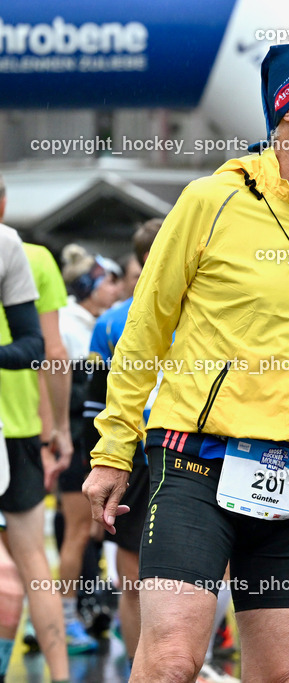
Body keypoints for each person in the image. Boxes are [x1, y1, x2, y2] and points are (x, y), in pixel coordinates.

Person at [84, 39, 289, 682]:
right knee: (171, 662)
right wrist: (111, 452)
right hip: (194, 465)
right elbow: (144, 333)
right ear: (287, 109)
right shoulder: (210, 200)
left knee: (284, 676)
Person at [80, 219, 165, 676]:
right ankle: (147, 666)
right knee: (137, 579)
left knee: (149, 580)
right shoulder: (112, 322)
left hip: (169, 453)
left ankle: (171, 663)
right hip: (142, 454)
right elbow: (94, 402)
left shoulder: (203, 312)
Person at [55, 244, 120, 654]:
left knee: (93, 532)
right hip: (77, 445)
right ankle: (62, 621)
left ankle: (88, 612)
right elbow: (71, 396)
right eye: (107, 282)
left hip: (86, 443)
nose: (114, 289)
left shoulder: (89, 321)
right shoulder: (69, 325)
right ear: (87, 287)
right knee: (77, 533)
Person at [0, 175, 52, 681]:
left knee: (19, 572)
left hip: (12, 432)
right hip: (23, 428)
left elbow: (46, 351)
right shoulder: (25, 250)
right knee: (28, 564)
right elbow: (50, 352)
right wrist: (54, 428)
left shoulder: (13, 248)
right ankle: (59, 669)